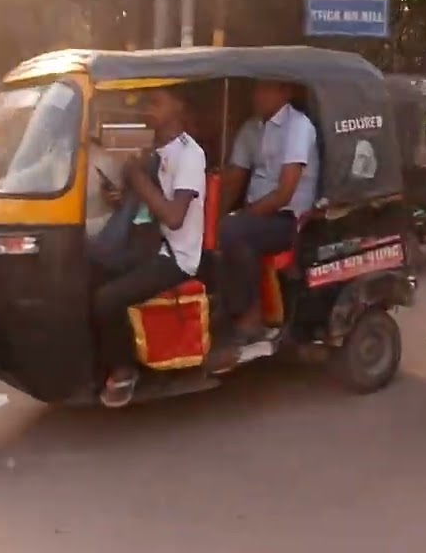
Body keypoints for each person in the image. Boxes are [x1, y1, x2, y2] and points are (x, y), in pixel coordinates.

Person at [91, 87, 207, 408]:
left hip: (176, 257)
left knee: (107, 299)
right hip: (149, 244)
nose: (148, 108)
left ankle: (124, 369)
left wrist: (135, 178)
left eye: (157, 101)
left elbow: (173, 216)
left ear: (179, 105)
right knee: (87, 269)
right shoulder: (158, 150)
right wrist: (124, 195)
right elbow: (146, 205)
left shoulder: (190, 154)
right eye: (147, 102)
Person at [215, 80, 319, 350]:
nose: (257, 94)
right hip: (259, 216)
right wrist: (213, 218)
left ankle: (252, 316)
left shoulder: (299, 127)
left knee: (233, 231)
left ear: (285, 92)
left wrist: (241, 217)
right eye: (256, 88)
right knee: (218, 233)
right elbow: (235, 177)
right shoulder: (252, 127)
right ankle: (230, 312)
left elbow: (285, 192)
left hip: (289, 218)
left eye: (265, 89)